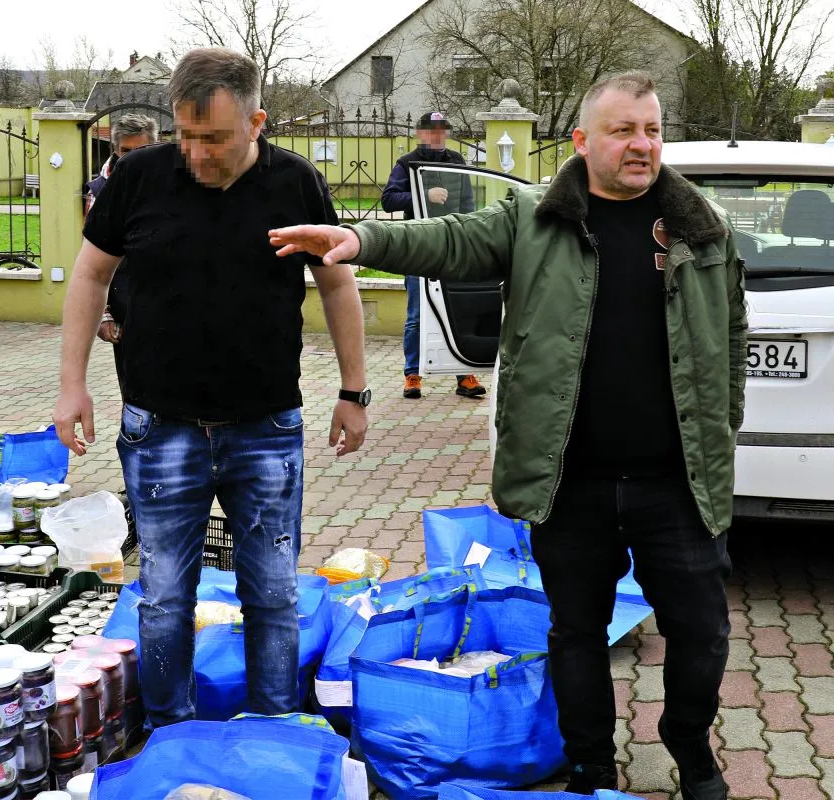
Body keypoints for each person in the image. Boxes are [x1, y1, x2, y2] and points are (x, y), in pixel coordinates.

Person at [269, 71, 744, 800]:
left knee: (704, 631)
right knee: (575, 633)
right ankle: (588, 763)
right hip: (570, 478)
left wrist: (724, 423)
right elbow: (446, 241)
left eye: (651, 130)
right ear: (583, 142)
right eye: (624, 131)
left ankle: (689, 740)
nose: (642, 145)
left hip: (674, 481)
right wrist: (359, 238)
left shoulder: (701, 226)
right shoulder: (533, 217)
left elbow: (732, 335)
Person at [53, 47, 369, 729]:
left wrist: (355, 390)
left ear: (257, 121)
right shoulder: (138, 178)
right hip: (160, 425)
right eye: (185, 135)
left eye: (215, 138)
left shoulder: (296, 184)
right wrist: (71, 385)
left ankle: (274, 728)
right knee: (165, 595)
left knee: (274, 594)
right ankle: (172, 732)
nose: (196, 154)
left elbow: (338, 284)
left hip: (266, 428)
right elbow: (88, 277)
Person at [381, 111, 484, 399]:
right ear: (421, 134)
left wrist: (471, 235)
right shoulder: (407, 163)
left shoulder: (457, 162)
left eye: (442, 130)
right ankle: (412, 375)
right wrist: (424, 195)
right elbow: (388, 200)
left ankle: (465, 375)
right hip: (419, 247)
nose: (437, 135)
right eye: (431, 131)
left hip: (453, 245)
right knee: (417, 314)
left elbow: (468, 203)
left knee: (459, 309)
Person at [84, 113, 160, 388]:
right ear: (115, 150)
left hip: (175, 308)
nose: (132, 159)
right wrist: (103, 315)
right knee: (136, 395)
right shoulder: (100, 192)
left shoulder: (174, 184)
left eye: (140, 151)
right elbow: (92, 263)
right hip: (128, 311)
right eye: (126, 152)